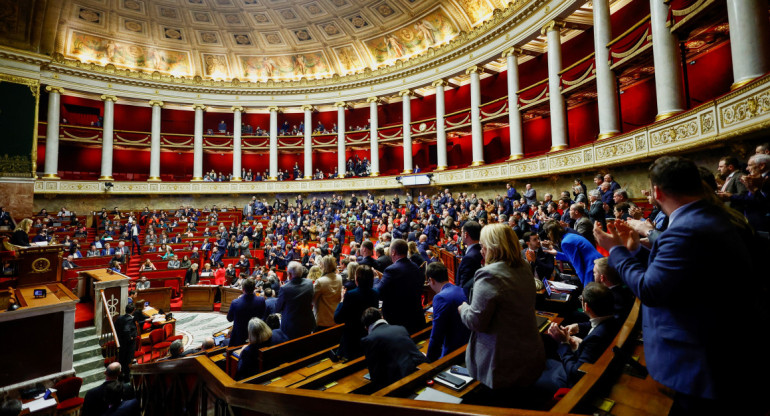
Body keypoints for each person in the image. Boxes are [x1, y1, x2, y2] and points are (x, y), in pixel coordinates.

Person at [594, 156, 760, 414]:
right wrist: (635, 249)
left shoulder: (686, 229)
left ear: (657, 191)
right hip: (721, 352)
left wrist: (615, 250)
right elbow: (676, 272)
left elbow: (651, 290)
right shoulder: (712, 216)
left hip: (701, 364)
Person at [458, 223, 545, 402]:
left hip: (502, 362)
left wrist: (463, 308)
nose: (481, 251)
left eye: (483, 246)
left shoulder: (488, 274)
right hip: (528, 353)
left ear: (494, 247)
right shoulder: (523, 266)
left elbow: (476, 321)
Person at [534, 283, 621, 396]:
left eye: (581, 299)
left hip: (573, 383)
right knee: (546, 361)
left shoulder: (595, 338)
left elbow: (575, 373)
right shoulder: (614, 320)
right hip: (589, 366)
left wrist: (563, 343)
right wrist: (578, 328)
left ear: (586, 306)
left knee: (532, 378)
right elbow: (595, 325)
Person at [360, 307, 427, 389]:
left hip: (399, 382)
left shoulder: (369, 339)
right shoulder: (400, 328)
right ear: (382, 317)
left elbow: (375, 371)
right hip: (420, 370)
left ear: (366, 328)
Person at [378, 239, 426, 334]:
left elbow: (379, 293)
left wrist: (376, 279)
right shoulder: (415, 267)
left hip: (398, 321)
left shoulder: (391, 270)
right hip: (415, 316)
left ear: (393, 252)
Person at [426, 262, 470, 362]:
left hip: (453, 353)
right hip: (467, 346)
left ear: (431, 280)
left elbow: (437, 334)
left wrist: (429, 361)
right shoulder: (461, 289)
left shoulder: (440, 297)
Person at [334, 265, 379, 360]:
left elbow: (337, 318)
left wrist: (342, 300)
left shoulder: (351, 295)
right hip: (368, 335)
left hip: (352, 339)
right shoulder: (375, 293)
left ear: (357, 279)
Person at [542, 220, 603, 287]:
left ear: (552, 233)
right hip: (597, 263)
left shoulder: (566, 243)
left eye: (548, 233)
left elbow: (578, 266)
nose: (548, 236)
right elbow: (572, 257)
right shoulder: (569, 236)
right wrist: (557, 253)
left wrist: (584, 286)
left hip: (591, 267)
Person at [275, 261, 315, 339]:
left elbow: (277, 308)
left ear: (289, 274)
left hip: (291, 326)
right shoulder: (309, 283)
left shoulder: (284, 288)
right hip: (307, 323)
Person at [226, 278, 266, 347]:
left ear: (243, 289)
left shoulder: (236, 302)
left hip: (239, 336)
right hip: (256, 334)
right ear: (254, 288)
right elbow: (263, 316)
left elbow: (229, 319)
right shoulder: (261, 300)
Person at [313, 255, 343, 331]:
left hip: (323, 320)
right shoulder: (339, 278)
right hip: (335, 317)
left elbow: (313, 301)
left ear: (324, 266)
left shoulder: (320, 282)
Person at [456, 221, 483, 297]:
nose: (460, 234)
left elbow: (463, 286)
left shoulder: (470, 257)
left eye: (461, 232)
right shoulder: (480, 250)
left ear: (466, 234)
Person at [115, 303, 138, 382]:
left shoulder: (120, 317)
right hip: (129, 344)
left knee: (122, 359)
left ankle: (120, 376)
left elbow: (116, 326)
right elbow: (126, 330)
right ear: (133, 310)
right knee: (128, 360)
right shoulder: (130, 319)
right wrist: (130, 338)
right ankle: (127, 378)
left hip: (121, 342)